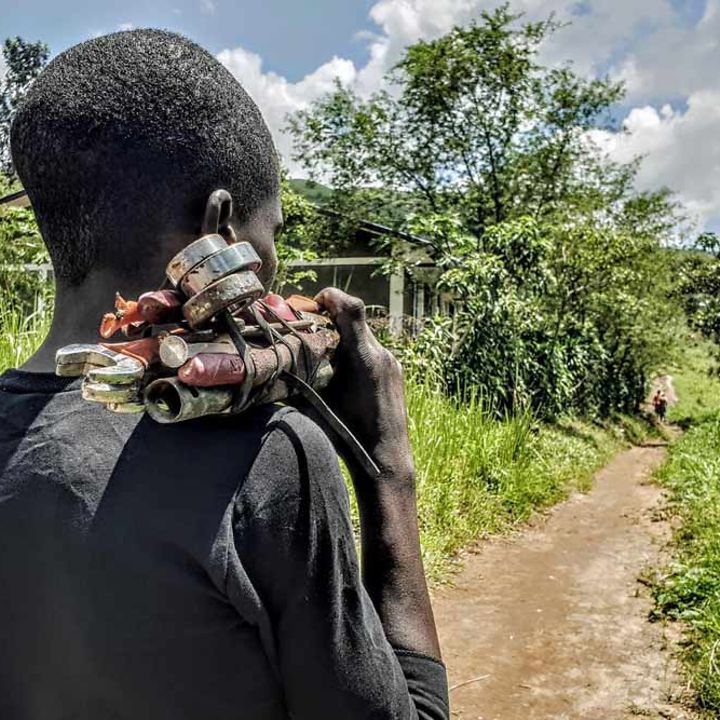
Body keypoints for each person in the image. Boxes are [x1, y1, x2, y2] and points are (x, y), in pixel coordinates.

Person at [0, 30, 448, 720]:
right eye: (271, 234)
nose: (274, 263)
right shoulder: (268, 456)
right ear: (220, 230)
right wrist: (388, 473)